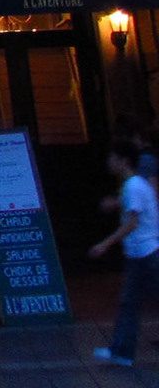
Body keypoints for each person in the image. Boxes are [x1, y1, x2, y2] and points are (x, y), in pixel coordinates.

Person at [91, 139, 159, 367]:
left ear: (123, 161)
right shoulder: (136, 185)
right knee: (129, 303)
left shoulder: (132, 186)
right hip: (141, 254)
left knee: (131, 302)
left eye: (112, 158)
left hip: (146, 255)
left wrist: (105, 244)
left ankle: (121, 351)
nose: (109, 162)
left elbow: (132, 223)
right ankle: (121, 352)